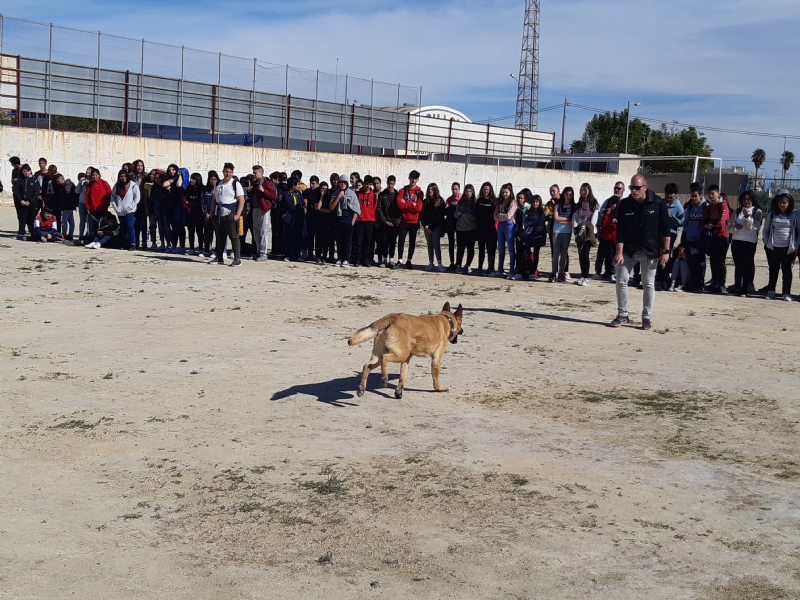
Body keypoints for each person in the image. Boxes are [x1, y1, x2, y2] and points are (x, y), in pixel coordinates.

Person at [609, 174, 671, 331]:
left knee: (648, 283)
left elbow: (666, 229)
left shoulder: (658, 203)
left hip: (650, 250)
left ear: (645, 187)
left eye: (637, 188)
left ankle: (646, 317)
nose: (634, 191)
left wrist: (665, 251)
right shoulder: (624, 204)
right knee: (621, 280)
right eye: (631, 188)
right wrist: (619, 252)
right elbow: (620, 231)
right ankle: (623, 314)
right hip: (629, 250)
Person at [761, 192, 800, 301]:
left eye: (784, 203)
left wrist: (796, 245)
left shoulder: (795, 214)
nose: (782, 205)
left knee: (787, 270)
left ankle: (786, 292)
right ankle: (771, 291)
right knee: (773, 269)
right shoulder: (772, 214)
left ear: (789, 203)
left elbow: (799, 231)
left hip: (788, 248)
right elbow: (766, 230)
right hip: (773, 247)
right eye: (780, 202)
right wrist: (767, 242)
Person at [209, 162, 245, 267]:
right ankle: (219, 257)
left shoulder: (235, 184)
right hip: (218, 214)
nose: (228, 174)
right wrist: (212, 213)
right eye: (226, 171)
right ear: (223, 171)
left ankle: (237, 259)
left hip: (230, 213)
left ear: (232, 172)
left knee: (233, 236)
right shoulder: (218, 183)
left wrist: (237, 215)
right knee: (220, 236)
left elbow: (241, 200)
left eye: (230, 172)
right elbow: (214, 199)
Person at [727, 190, 762, 296]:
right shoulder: (737, 211)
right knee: (738, 265)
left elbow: (754, 227)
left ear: (752, 199)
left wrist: (747, 217)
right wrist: (735, 228)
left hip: (750, 242)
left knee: (747, 265)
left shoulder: (757, 211)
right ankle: (737, 287)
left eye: (748, 199)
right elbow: (729, 227)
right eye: (744, 199)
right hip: (737, 241)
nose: (746, 201)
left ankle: (745, 288)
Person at [700, 184, 731, 294]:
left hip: (723, 236)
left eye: (713, 193)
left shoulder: (723, 205)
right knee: (713, 260)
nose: (711, 196)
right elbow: (702, 221)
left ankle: (721, 284)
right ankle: (715, 282)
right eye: (709, 194)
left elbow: (722, 222)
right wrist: (706, 225)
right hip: (712, 237)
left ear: (718, 193)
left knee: (720, 260)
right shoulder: (708, 207)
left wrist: (713, 226)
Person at [572, 183, 600, 286]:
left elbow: (594, 219)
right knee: (580, 254)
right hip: (580, 231)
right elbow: (575, 216)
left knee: (585, 254)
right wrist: (575, 227)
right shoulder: (579, 204)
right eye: (582, 190)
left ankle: (586, 278)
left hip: (589, 232)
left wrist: (588, 228)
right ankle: (582, 276)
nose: (583, 192)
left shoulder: (594, 203)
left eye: (585, 190)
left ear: (589, 190)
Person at [330, 174, 361, 267]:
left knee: (347, 241)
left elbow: (356, 209)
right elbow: (331, 207)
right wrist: (339, 196)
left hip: (347, 219)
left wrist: (352, 222)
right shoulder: (336, 193)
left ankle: (346, 259)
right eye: (341, 182)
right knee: (339, 240)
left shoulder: (352, 194)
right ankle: (340, 258)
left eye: (344, 182)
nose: (343, 184)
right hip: (337, 218)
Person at [516, 190, 547, 280]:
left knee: (536, 254)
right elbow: (525, 223)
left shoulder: (542, 213)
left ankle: (532, 273)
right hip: (528, 236)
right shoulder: (528, 212)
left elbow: (540, 226)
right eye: (533, 201)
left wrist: (532, 226)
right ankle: (520, 272)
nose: (535, 203)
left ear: (539, 202)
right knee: (524, 253)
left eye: (537, 201)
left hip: (538, 236)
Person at [681, 182, 707, 291]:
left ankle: (700, 282)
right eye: (692, 196)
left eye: (695, 196)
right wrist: (687, 231)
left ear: (700, 195)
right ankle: (692, 282)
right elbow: (685, 221)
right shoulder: (690, 206)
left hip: (700, 239)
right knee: (691, 261)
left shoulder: (706, 206)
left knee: (700, 261)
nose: (693, 198)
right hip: (689, 238)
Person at [396, 170, 424, 269]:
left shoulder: (419, 192)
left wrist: (406, 204)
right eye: (412, 177)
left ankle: (409, 260)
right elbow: (399, 204)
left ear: (417, 180)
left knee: (412, 242)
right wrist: (412, 204)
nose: (413, 180)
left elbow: (419, 208)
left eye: (415, 178)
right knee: (401, 241)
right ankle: (399, 260)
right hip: (404, 220)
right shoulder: (403, 190)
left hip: (414, 221)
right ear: (409, 178)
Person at [249, 165, 276, 262]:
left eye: (255, 173)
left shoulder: (267, 183)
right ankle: (258, 251)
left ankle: (264, 253)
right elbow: (252, 196)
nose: (254, 175)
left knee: (263, 231)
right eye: (253, 172)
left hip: (264, 209)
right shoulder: (254, 183)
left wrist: (264, 191)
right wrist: (249, 191)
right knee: (256, 231)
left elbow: (273, 196)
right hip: (255, 209)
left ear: (261, 173)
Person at [549, 186, 575, 283]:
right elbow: (556, 218)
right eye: (566, 194)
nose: (568, 196)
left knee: (564, 253)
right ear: (563, 194)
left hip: (567, 232)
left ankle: (561, 273)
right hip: (557, 231)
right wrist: (567, 220)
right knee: (555, 253)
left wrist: (564, 220)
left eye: (570, 195)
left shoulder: (574, 206)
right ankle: (553, 273)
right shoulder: (558, 205)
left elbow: (573, 220)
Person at [110, 170, 141, 250]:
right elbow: (113, 197)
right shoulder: (116, 186)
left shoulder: (134, 186)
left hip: (130, 210)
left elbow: (137, 198)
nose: (123, 178)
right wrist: (116, 207)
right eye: (121, 176)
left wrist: (131, 207)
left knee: (130, 226)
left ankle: (133, 243)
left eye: (125, 176)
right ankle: (126, 243)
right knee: (123, 227)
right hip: (120, 211)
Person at [375, 175, 401, 268]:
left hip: (394, 224)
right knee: (384, 242)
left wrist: (396, 222)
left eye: (392, 184)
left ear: (394, 184)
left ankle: (391, 260)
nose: (390, 185)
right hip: (384, 223)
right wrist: (384, 221)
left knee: (392, 242)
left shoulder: (397, 195)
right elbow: (379, 209)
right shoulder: (382, 195)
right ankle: (384, 260)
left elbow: (400, 210)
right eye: (389, 183)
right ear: (386, 183)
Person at [420, 182, 446, 272]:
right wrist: (425, 225)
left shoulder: (440, 201)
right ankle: (431, 263)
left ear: (435, 190)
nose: (430, 191)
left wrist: (432, 227)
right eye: (429, 189)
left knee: (436, 245)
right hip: (427, 226)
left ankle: (440, 264)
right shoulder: (425, 201)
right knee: (429, 245)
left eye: (432, 189)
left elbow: (440, 217)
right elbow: (422, 215)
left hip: (436, 227)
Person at [494, 183, 517, 279]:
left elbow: (509, 215)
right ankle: (500, 270)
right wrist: (501, 216)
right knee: (501, 249)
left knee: (511, 249)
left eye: (506, 192)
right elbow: (495, 216)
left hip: (509, 226)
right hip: (501, 226)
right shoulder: (500, 202)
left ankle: (511, 271)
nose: (504, 194)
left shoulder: (513, 202)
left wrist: (500, 216)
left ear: (510, 192)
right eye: (503, 192)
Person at [353, 176, 377, 267]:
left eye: (370, 184)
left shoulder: (374, 195)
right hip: (359, 220)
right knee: (358, 241)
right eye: (366, 183)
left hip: (370, 221)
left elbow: (374, 208)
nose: (368, 186)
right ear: (363, 183)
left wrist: (373, 218)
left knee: (367, 241)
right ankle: (356, 259)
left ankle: (365, 259)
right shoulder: (358, 194)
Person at [454, 184, 478, 274]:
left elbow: (476, 216)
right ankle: (458, 265)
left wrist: (466, 215)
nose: (468, 193)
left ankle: (467, 265)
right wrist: (458, 213)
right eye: (466, 191)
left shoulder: (475, 203)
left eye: (470, 191)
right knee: (460, 248)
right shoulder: (461, 202)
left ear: (472, 192)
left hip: (471, 229)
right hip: (460, 228)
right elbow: (455, 215)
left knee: (470, 248)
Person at [281, 177, 306, 262]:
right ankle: (287, 254)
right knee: (288, 237)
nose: (299, 186)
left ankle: (296, 255)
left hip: (298, 219)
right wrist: (301, 209)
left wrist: (303, 208)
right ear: (293, 185)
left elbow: (302, 203)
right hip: (289, 219)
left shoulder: (298, 193)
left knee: (297, 237)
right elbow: (291, 206)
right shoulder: (286, 194)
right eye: (298, 184)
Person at [475, 182, 497, 275]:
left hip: (491, 230)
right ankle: (480, 267)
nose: (485, 191)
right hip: (480, 228)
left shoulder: (494, 201)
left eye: (487, 189)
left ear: (490, 190)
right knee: (481, 249)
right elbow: (475, 213)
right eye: (484, 189)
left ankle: (491, 268)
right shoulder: (479, 201)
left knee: (491, 249)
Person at [15, 163, 42, 240]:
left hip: (32, 203)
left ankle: (32, 232)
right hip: (21, 202)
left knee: (31, 218)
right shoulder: (20, 180)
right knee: (22, 218)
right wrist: (20, 200)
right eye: (24, 171)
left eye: (27, 171)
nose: (26, 173)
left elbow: (36, 192)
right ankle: (21, 233)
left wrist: (30, 201)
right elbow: (16, 191)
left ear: (30, 171)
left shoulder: (35, 180)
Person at [595, 195, 619, 281]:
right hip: (604, 238)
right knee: (601, 256)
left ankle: (612, 273)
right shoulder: (606, 213)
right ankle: (598, 272)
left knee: (612, 256)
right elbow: (603, 225)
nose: (612, 206)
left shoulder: (618, 214)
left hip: (613, 239)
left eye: (614, 204)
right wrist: (606, 215)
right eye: (610, 204)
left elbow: (615, 227)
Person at [85, 169, 112, 237]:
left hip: (102, 208)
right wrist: (87, 207)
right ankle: (95, 238)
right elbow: (87, 196)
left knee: (103, 225)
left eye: (96, 175)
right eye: (93, 175)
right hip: (93, 209)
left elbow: (109, 194)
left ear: (99, 175)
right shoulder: (90, 184)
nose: (94, 176)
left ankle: (102, 240)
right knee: (94, 226)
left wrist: (107, 204)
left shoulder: (104, 183)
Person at [314, 180, 335, 264]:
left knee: (326, 240)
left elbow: (330, 210)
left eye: (325, 189)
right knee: (318, 239)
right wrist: (321, 196)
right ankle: (318, 256)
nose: (324, 190)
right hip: (318, 221)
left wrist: (321, 209)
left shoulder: (329, 197)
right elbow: (317, 207)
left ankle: (324, 256)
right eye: (322, 188)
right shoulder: (317, 196)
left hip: (327, 222)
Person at [201, 171, 219, 258]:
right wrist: (206, 213)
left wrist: (214, 213)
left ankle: (216, 251)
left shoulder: (219, 189)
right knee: (207, 233)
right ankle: (207, 250)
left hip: (216, 214)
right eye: (211, 179)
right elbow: (203, 202)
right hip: (207, 215)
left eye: (215, 179)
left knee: (217, 233)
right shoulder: (205, 190)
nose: (213, 181)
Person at [443, 182, 461, 271]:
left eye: (456, 189)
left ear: (459, 189)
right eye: (453, 189)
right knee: (451, 243)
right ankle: (452, 262)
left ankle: (458, 263)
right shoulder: (449, 200)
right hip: (450, 223)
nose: (455, 191)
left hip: (459, 224)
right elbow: (446, 211)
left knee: (459, 243)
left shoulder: (461, 199)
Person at [303, 175, 321, 262]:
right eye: (311, 183)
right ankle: (310, 254)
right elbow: (301, 197)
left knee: (318, 238)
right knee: (309, 237)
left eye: (313, 183)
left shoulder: (320, 192)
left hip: (318, 217)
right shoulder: (308, 192)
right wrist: (304, 207)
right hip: (309, 216)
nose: (312, 185)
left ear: (318, 184)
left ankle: (318, 255)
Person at [9, 157, 27, 240]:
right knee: (19, 213)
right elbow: (12, 180)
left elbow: (28, 179)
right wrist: (14, 180)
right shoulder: (14, 171)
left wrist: (19, 180)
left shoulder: (25, 169)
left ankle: (24, 231)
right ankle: (21, 230)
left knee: (25, 214)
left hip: (24, 193)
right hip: (16, 193)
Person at [59, 175, 79, 240]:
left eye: (59, 181)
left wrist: (64, 203)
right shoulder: (69, 183)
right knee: (71, 220)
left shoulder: (67, 185)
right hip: (71, 205)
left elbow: (68, 195)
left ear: (62, 179)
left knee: (64, 220)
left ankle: (64, 234)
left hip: (67, 206)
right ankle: (70, 234)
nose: (58, 183)